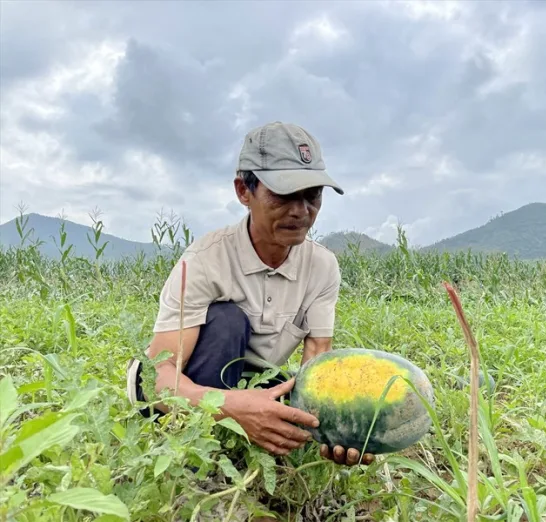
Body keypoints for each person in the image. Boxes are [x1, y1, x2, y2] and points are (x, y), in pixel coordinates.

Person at [126, 121, 374, 467]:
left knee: (288, 389)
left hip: (251, 378)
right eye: (284, 194)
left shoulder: (322, 266)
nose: (301, 211)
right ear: (244, 190)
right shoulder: (203, 262)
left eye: (313, 195)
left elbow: (316, 361)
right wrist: (230, 407)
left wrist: (333, 430)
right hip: (175, 391)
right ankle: (204, 464)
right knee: (227, 321)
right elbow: (159, 379)